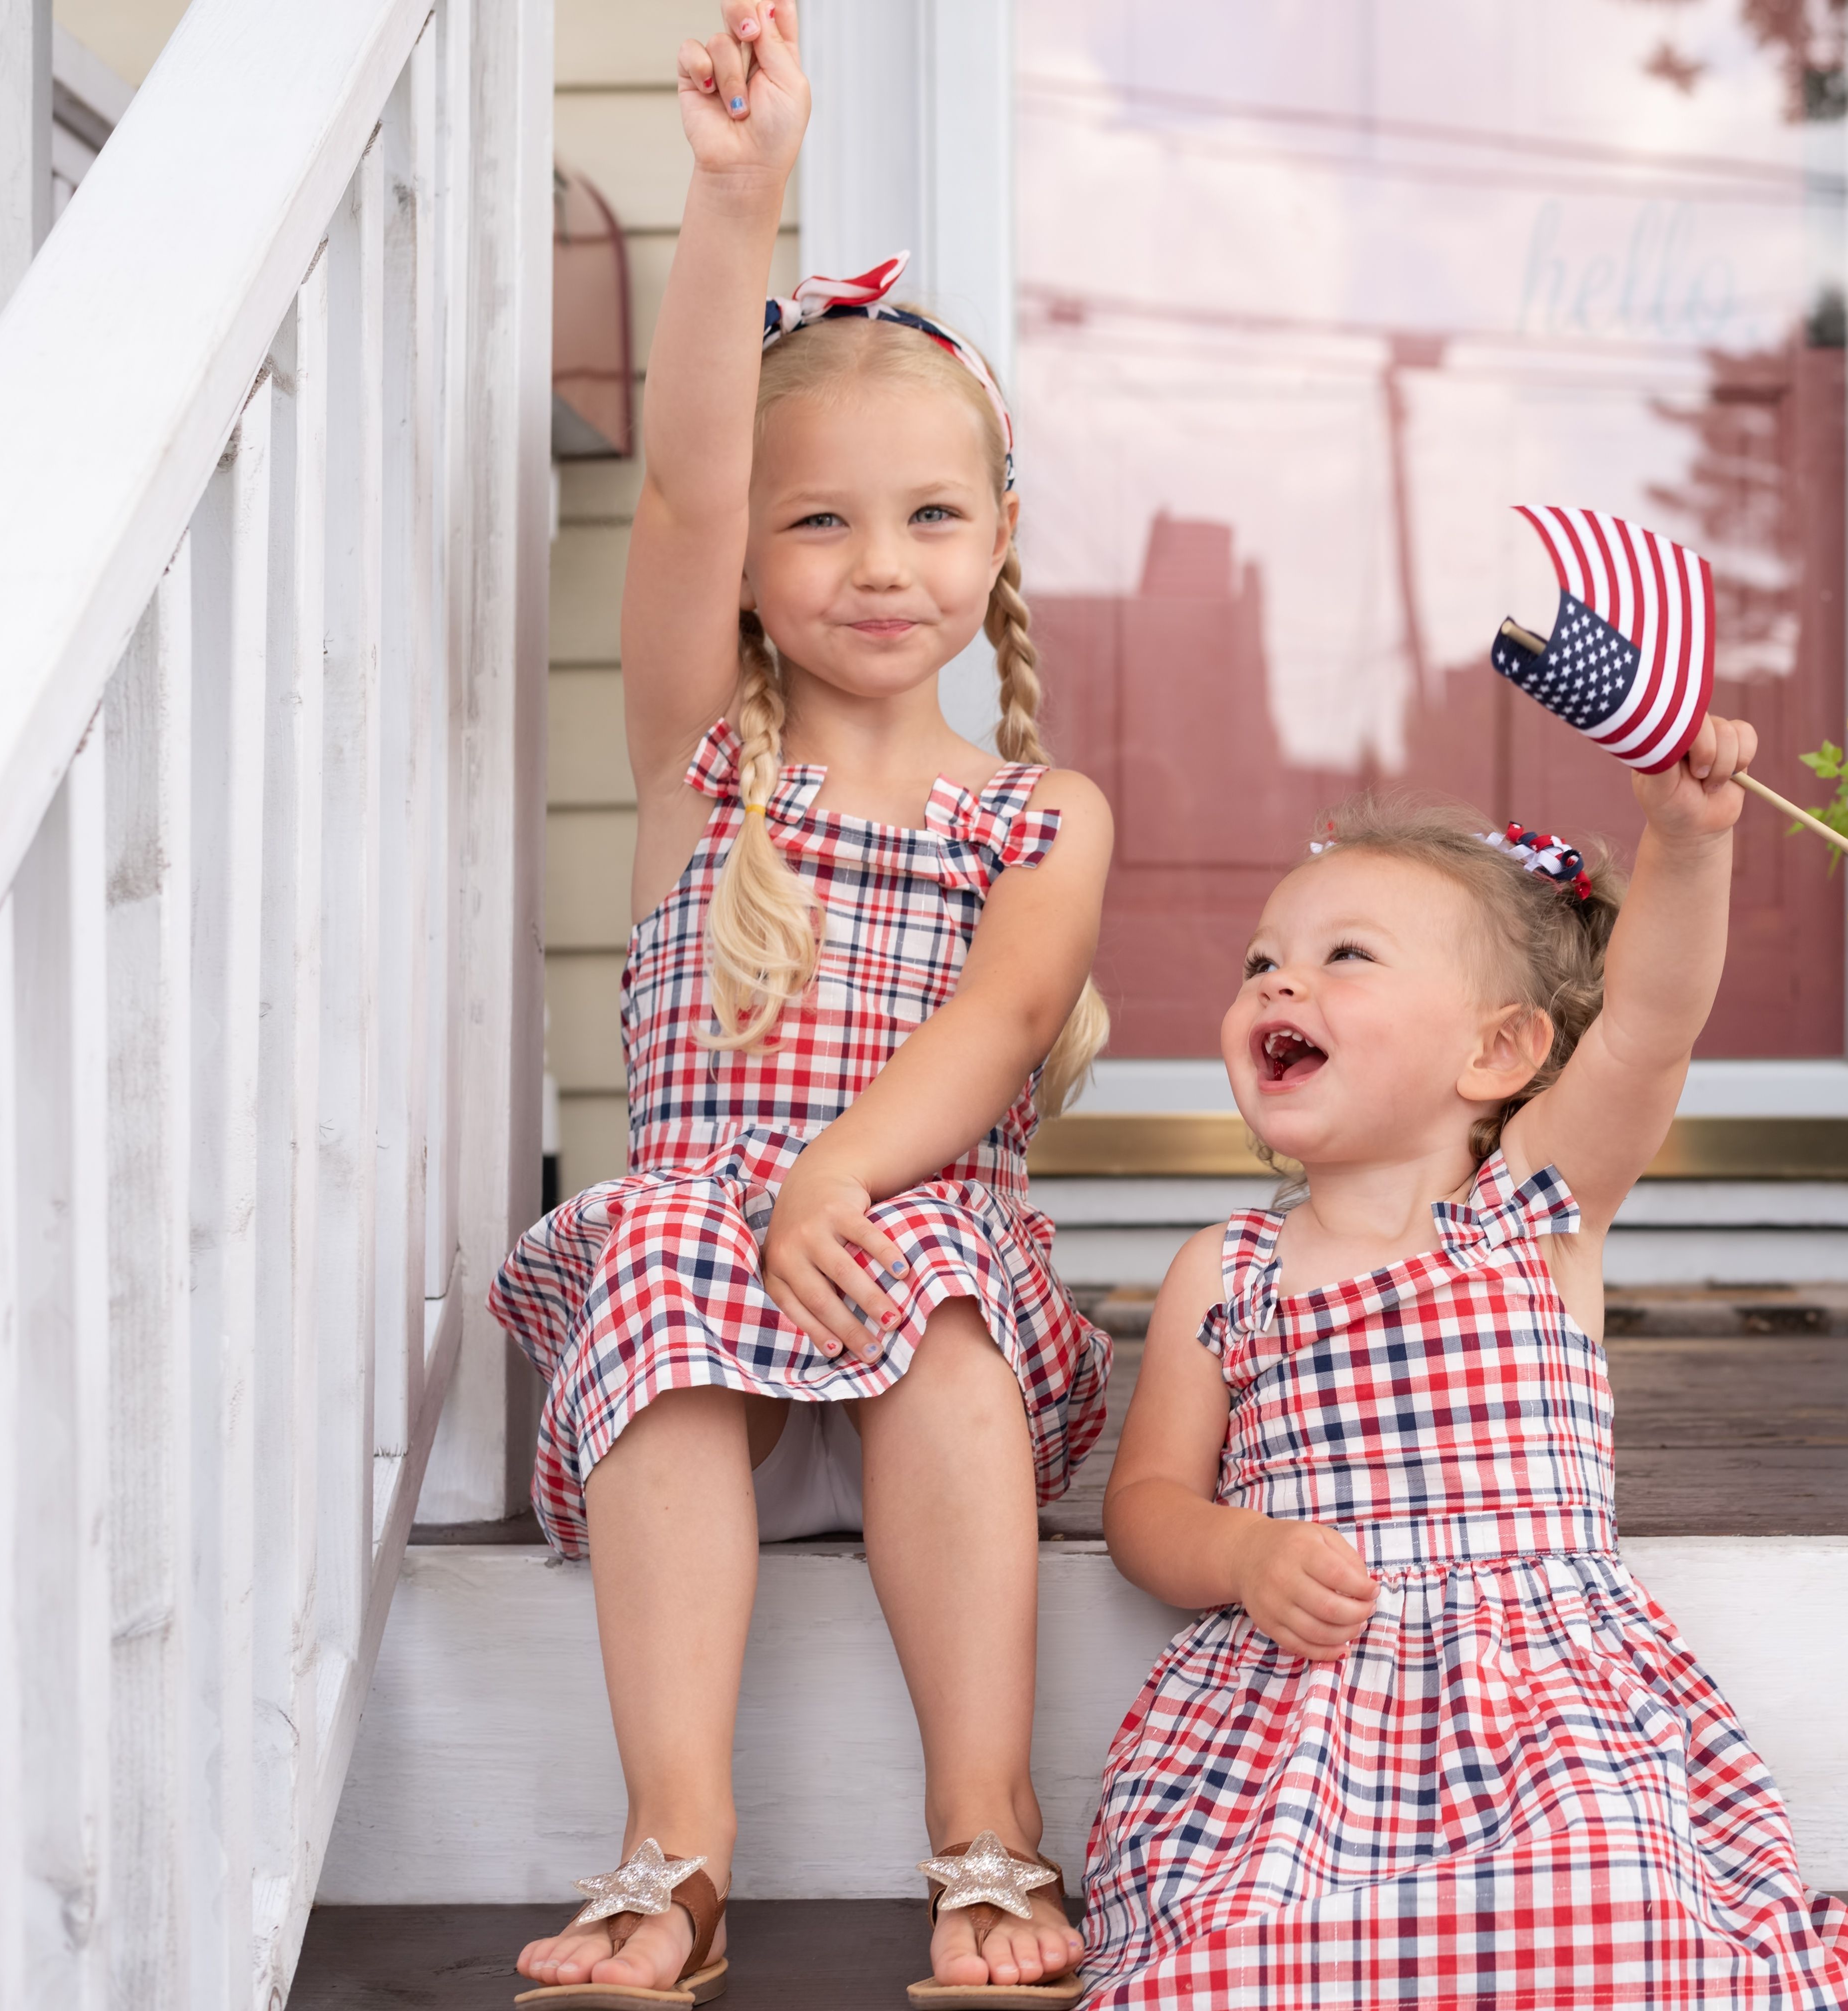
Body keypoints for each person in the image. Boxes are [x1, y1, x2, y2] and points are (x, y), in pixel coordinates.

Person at [498, 6, 1102, 2001]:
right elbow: (671, 490)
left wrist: (834, 1175)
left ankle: (984, 1822)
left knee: (925, 1273)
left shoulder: (1039, 809)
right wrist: (737, 192)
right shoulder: (706, 764)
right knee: (667, 1231)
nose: (877, 564)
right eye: (817, 519)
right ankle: (677, 1846)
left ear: (998, 541)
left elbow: (998, 1027)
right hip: (713, 1317)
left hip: (914, 1289)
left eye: (931, 517)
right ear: (750, 565)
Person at [1084, 721, 1848, 2007]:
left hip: (1539, 1708)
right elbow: (1145, 1507)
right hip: (1308, 1719)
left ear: (1498, 1052)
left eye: (1343, 957)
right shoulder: (1223, 1268)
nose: (1279, 987)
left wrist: (1686, 840)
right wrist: (1238, 1555)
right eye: (1261, 963)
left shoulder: (1532, 1210)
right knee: (1247, 1943)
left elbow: (1647, 1028)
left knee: (1607, 1903)